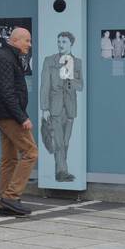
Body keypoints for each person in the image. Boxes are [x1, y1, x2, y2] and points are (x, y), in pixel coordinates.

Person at [0, 27, 35, 216]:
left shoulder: (7, 56)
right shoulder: (6, 58)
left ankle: (5, 201)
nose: (29, 45)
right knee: (31, 152)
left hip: (5, 114)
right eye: (27, 41)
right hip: (10, 116)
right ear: (16, 40)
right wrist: (22, 116)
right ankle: (11, 196)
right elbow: (7, 91)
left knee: (9, 158)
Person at [40, 30, 83, 183]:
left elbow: (80, 86)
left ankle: (61, 170)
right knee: (58, 142)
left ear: (71, 43)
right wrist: (44, 108)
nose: (60, 44)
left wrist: (69, 77)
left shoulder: (77, 62)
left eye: (64, 42)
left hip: (70, 109)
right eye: (59, 41)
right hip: (54, 107)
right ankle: (61, 172)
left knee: (65, 142)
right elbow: (44, 85)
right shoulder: (49, 61)